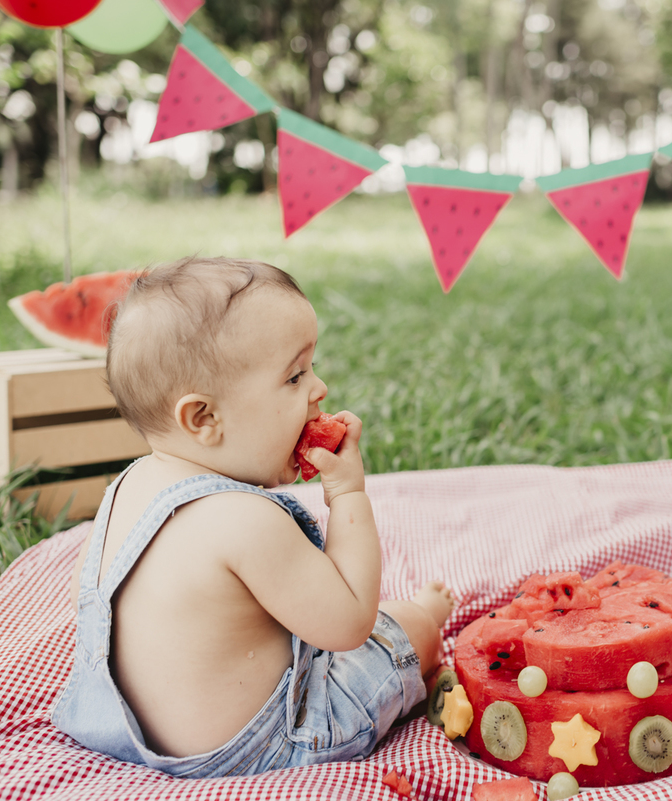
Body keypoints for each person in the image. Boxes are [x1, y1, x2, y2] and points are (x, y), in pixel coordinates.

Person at [52, 256, 454, 777]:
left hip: (120, 731)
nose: (319, 389)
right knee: (410, 626)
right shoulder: (245, 520)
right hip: (263, 748)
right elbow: (351, 623)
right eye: (294, 376)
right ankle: (424, 625)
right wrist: (347, 493)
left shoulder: (124, 490)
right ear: (203, 417)